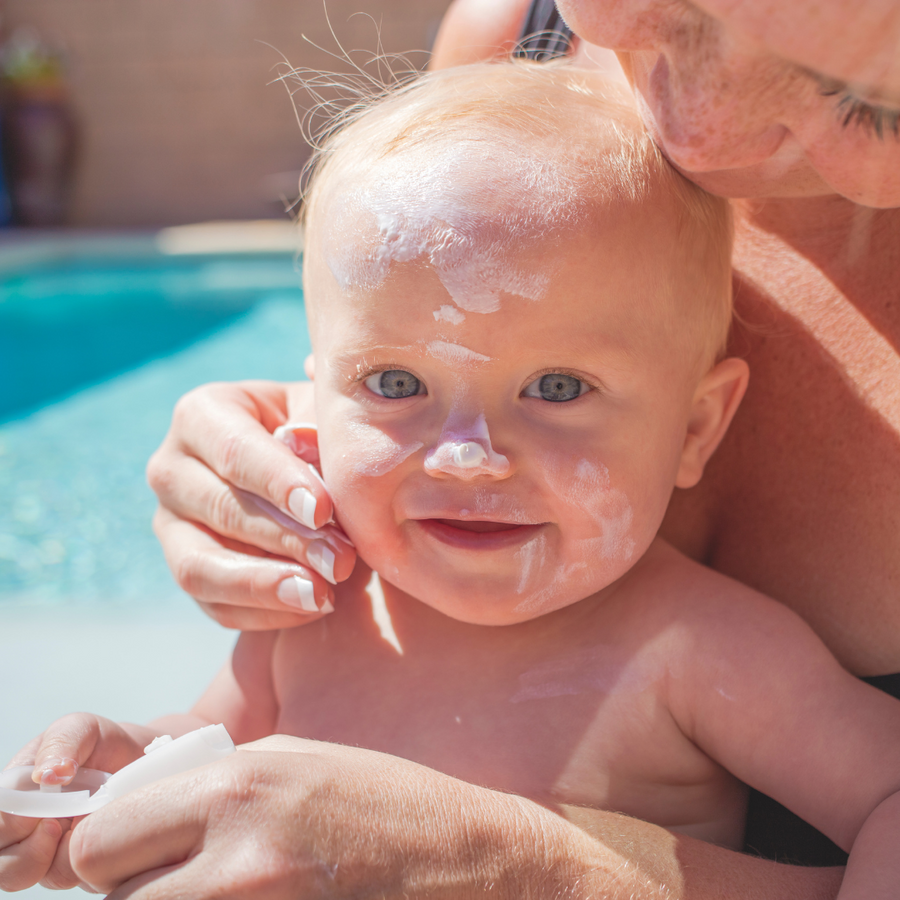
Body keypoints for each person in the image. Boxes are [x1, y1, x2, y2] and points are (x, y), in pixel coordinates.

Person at [18, 1, 898, 897]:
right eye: (396, 384)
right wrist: (110, 776)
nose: (466, 457)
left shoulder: (700, 651)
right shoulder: (328, 610)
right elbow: (214, 757)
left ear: (698, 427)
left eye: (556, 389)